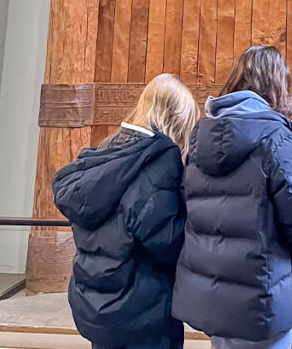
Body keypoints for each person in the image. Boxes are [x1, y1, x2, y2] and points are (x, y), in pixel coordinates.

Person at [173, 46, 292, 349]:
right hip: (262, 294)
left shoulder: (200, 136)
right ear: (276, 84)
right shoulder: (274, 136)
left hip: (215, 296)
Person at [52, 73, 200, 349]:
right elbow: (167, 241)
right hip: (141, 307)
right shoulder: (159, 161)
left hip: (98, 301)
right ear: (177, 120)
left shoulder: (107, 151)